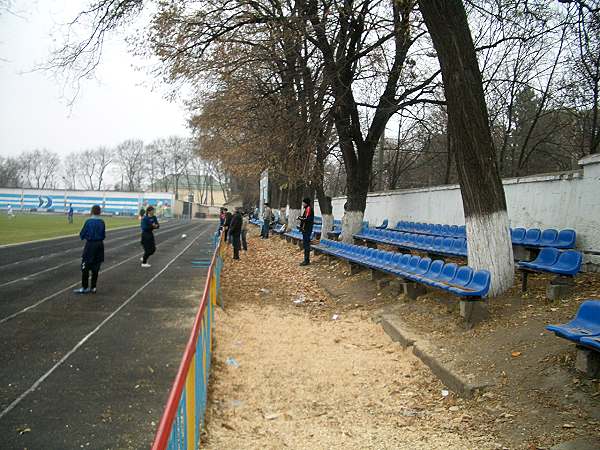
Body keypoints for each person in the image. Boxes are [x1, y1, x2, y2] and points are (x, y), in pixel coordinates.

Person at [74, 205, 105, 294]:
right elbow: (103, 235)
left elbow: (82, 234)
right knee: (96, 267)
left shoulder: (88, 222)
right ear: (100, 212)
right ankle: (93, 287)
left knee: (85, 267)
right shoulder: (102, 222)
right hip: (99, 245)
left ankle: (84, 287)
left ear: (91, 211)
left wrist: (85, 236)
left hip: (90, 245)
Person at [298, 197, 314, 266]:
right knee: (305, 244)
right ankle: (306, 259)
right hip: (305, 229)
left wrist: (300, 218)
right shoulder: (307, 209)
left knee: (306, 245)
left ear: (306, 203)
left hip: (307, 229)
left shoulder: (308, 209)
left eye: (303, 202)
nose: (302, 204)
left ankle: (306, 260)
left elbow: (307, 219)